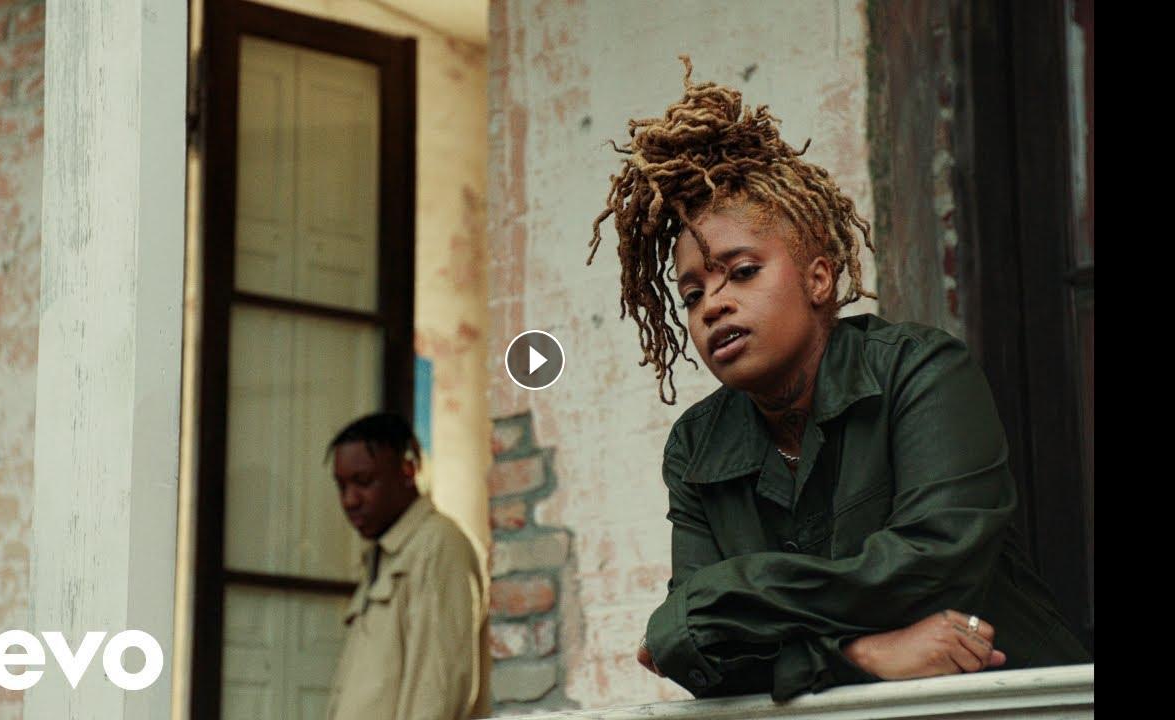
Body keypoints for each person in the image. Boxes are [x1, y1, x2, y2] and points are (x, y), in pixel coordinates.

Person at [586, 57, 1091, 702]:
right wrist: (859, 653)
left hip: (1016, 706)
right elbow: (685, 645)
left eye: (741, 272)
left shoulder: (920, 372)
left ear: (819, 279)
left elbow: (934, 570)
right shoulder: (694, 449)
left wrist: (726, 597)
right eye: (691, 293)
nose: (713, 304)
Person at [325, 412, 489, 720]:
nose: (349, 500)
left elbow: (438, 691)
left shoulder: (438, 546)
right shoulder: (384, 556)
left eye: (363, 482)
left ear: (408, 470)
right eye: (342, 486)